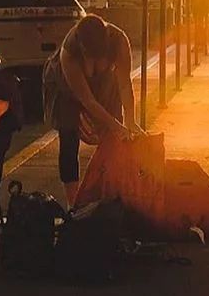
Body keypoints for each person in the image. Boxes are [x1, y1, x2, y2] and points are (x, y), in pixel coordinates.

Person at [43, 14, 140, 207]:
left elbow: (124, 86)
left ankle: (112, 194)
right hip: (67, 89)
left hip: (105, 83)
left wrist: (129, 120)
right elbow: (87, 100)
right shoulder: (68, 53)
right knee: (69, 137)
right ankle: (74, 204)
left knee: (114, 140)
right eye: (90, 56)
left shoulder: (119, 42)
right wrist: (116, 126)